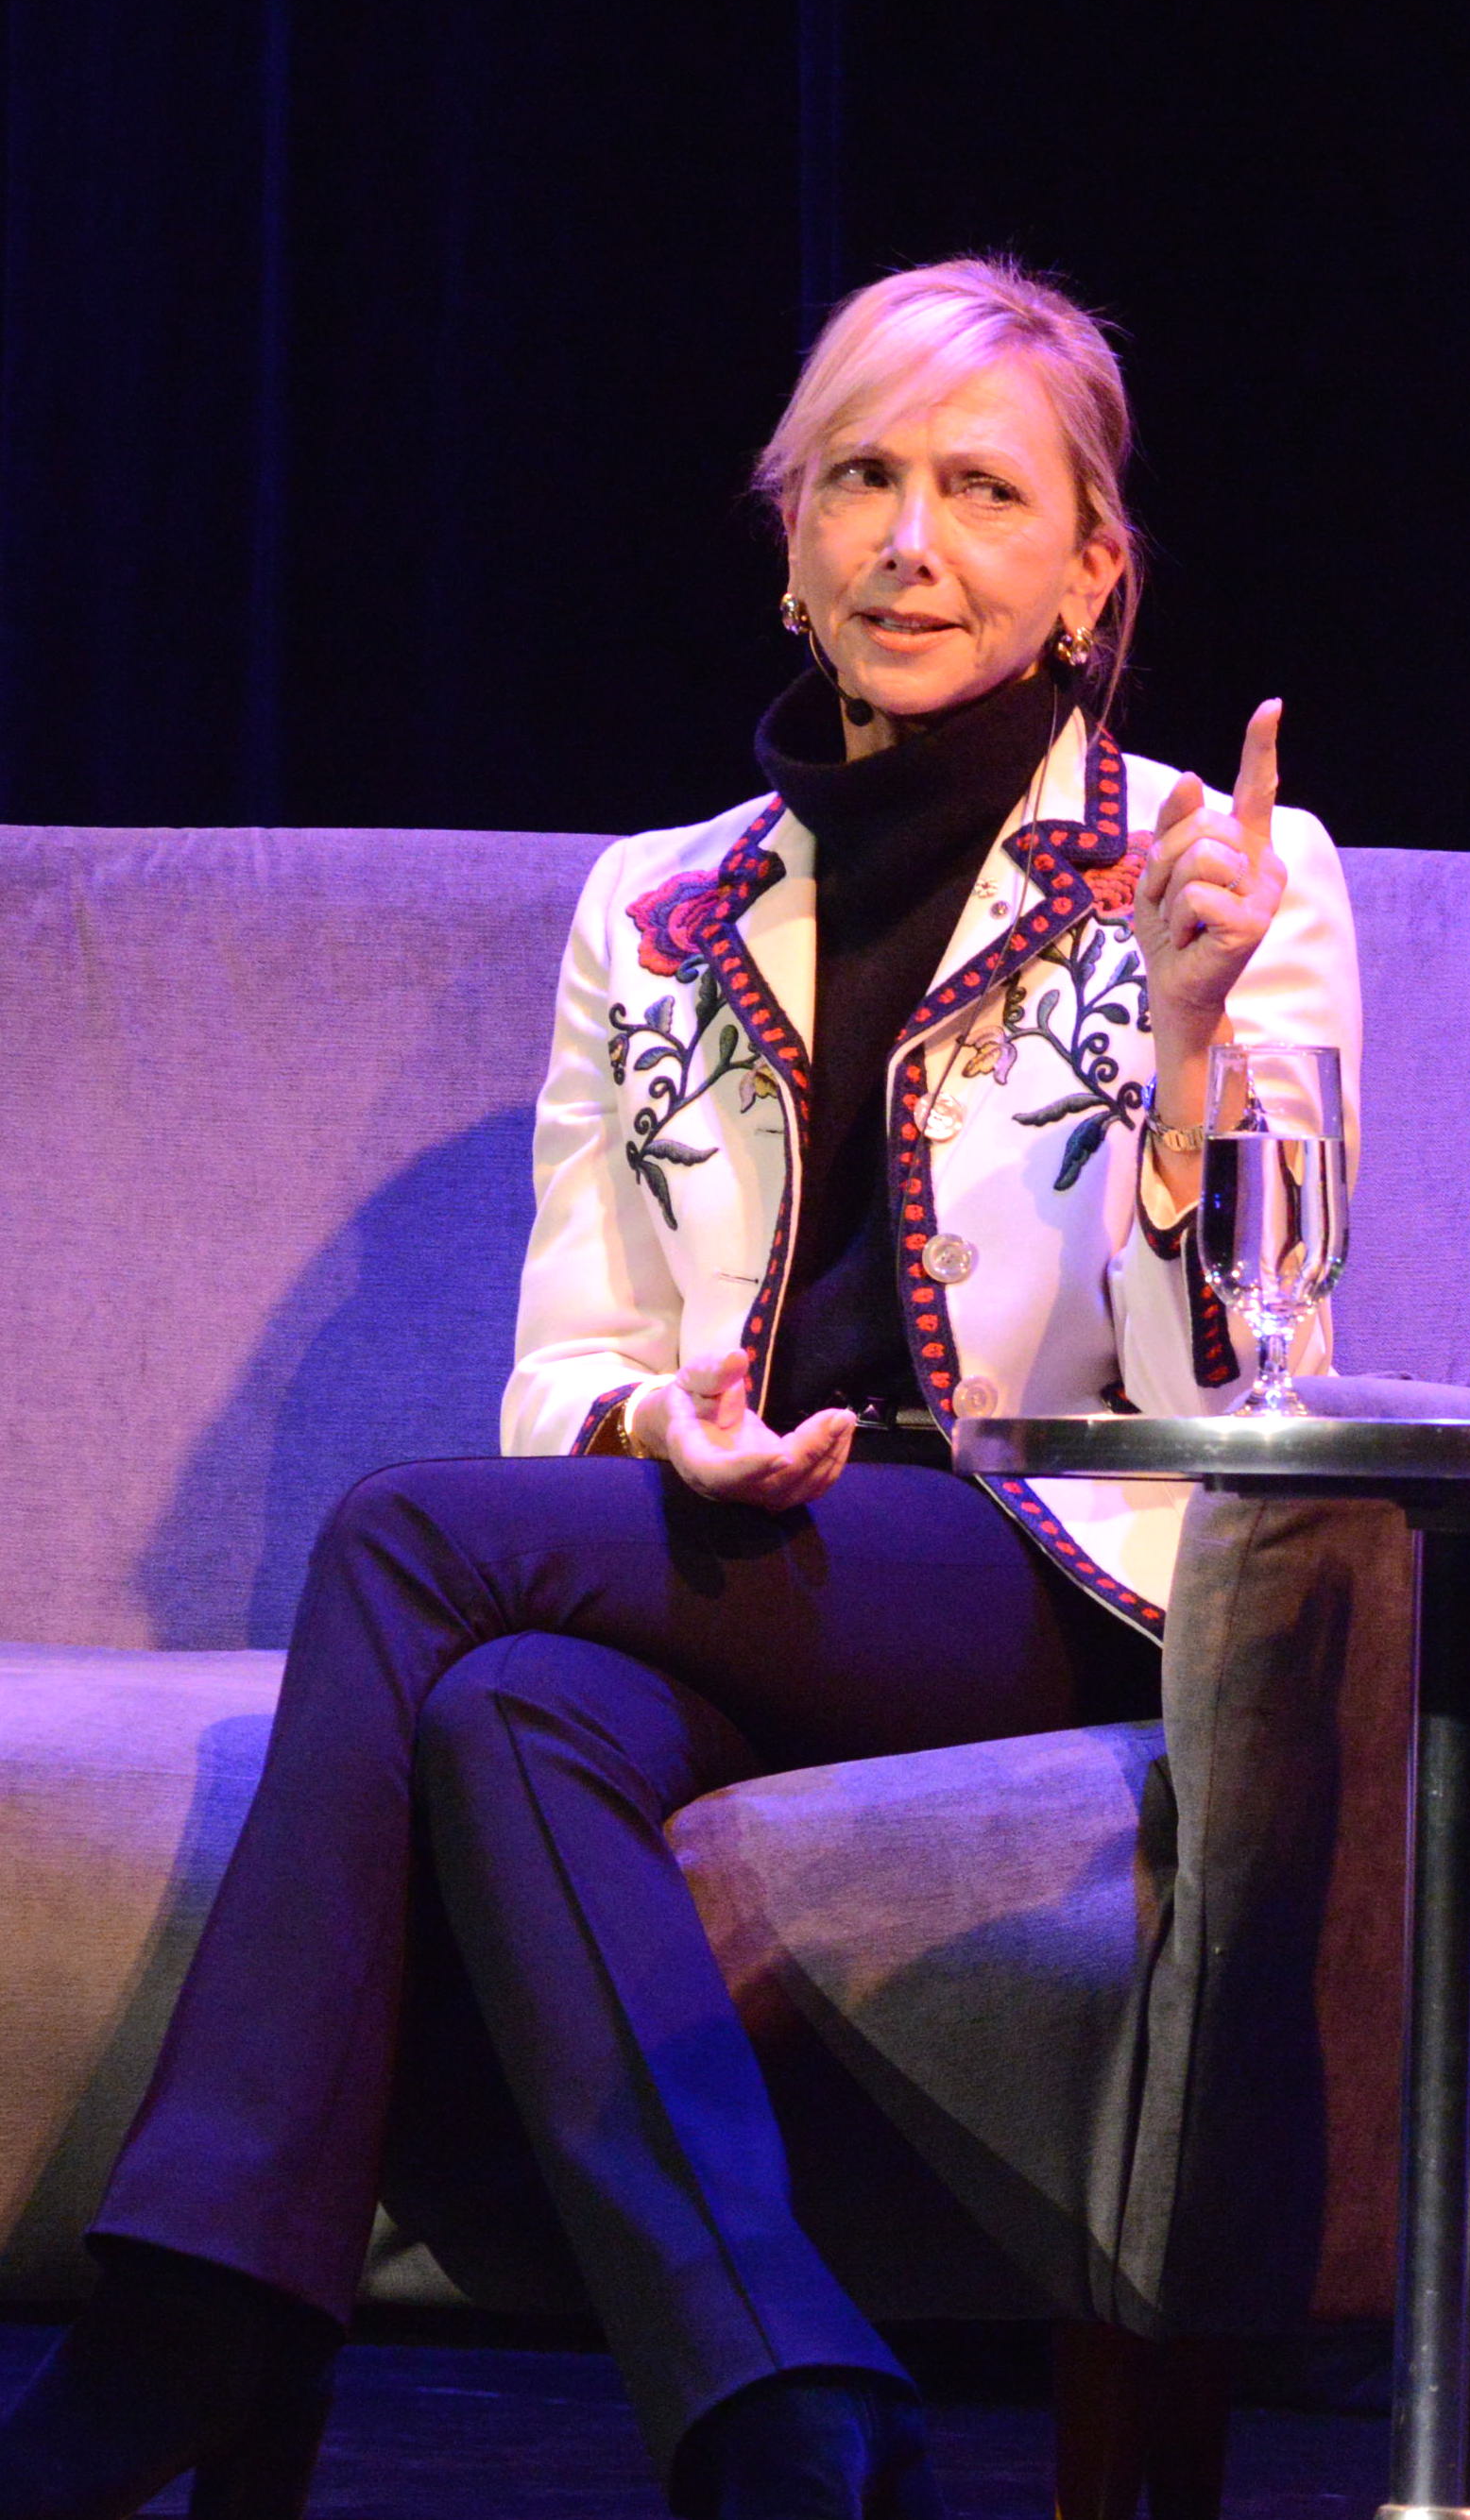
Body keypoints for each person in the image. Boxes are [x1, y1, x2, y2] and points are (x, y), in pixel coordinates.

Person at [0, 258, 1360, 2520]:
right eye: (860, 480)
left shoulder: (1227, 876)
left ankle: (202, 2317)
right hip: (756, 1556)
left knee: (408, 1538)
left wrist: (1196, 1069)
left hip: (1052, 1564)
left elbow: (1238, 1394)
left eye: (978, 488)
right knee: (496, 1710)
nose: (908, 541)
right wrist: (666, 1435)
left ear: (1090, 565)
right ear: (794, 534)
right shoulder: (656, 906)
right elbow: (564, 1362)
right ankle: (780, 2412)